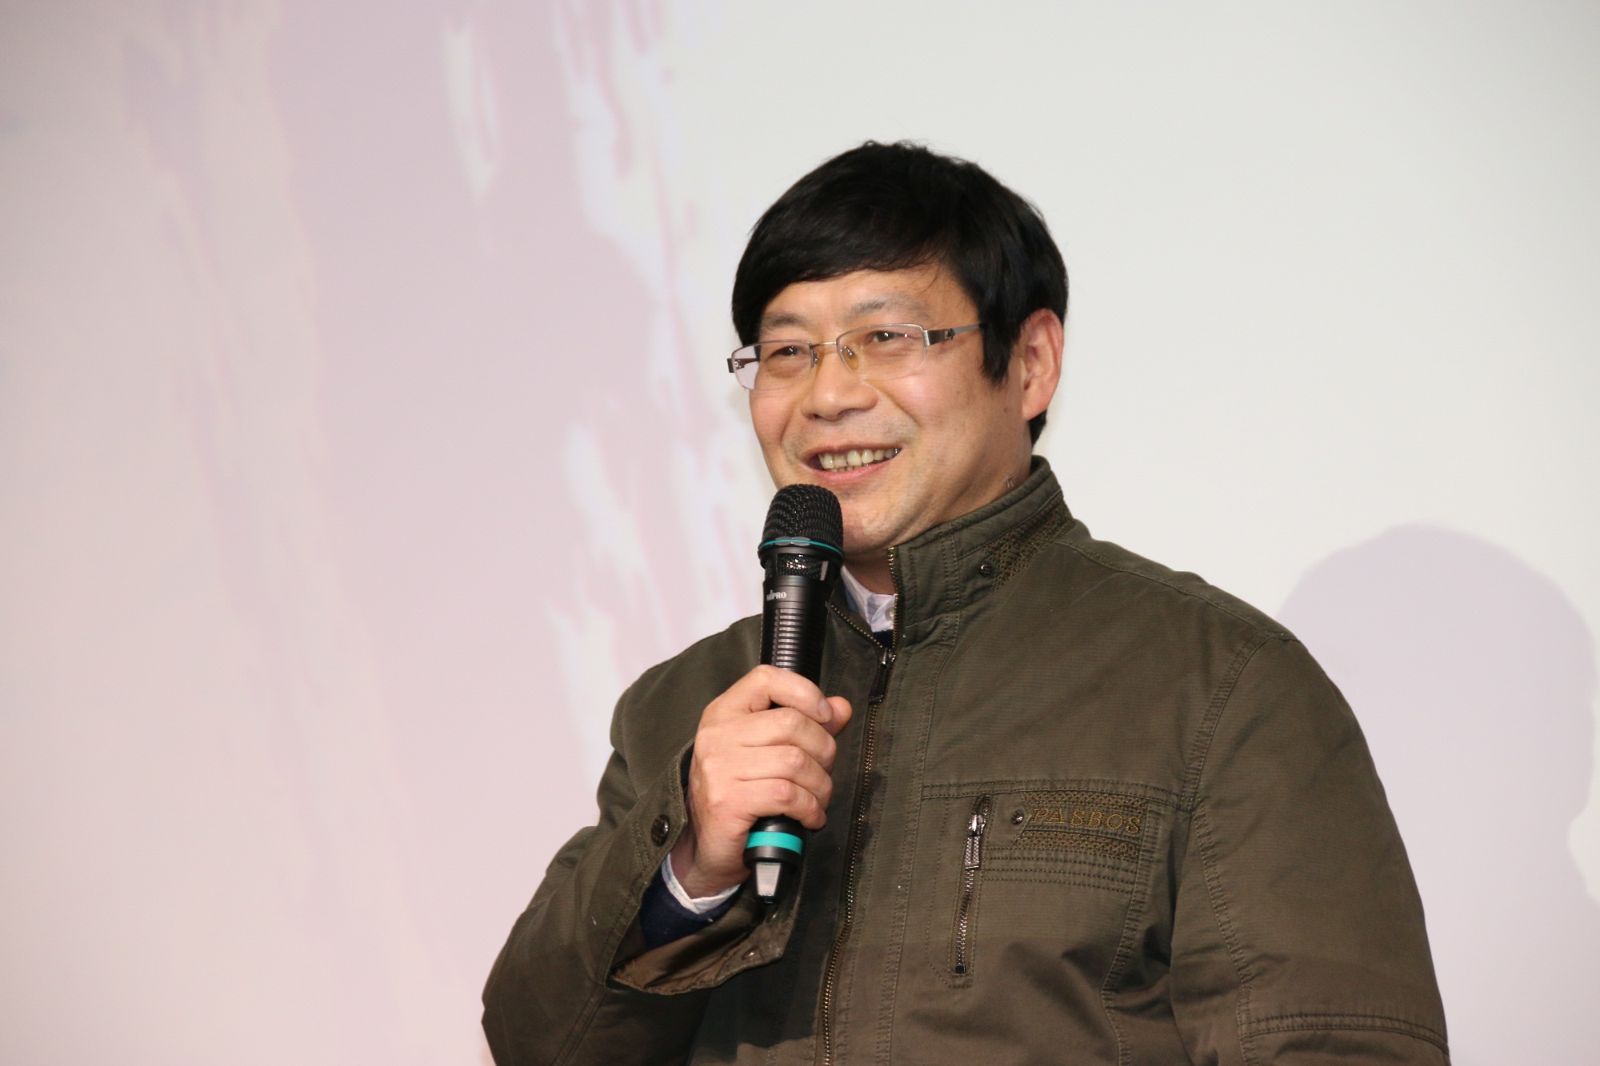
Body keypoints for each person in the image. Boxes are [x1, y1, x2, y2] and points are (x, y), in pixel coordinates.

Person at [483, 142, 1449, 1064]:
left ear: (1030, 363)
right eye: (786, 351)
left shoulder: (1221, 688)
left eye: (886, 337)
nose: (827, 396)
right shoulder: (687, 704)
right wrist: (690, 865)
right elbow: (536, 1045)